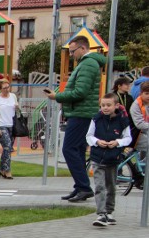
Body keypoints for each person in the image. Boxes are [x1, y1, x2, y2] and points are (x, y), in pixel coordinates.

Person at [46, 35, 106, 202]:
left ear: (82, 48)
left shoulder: (87, 64)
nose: (71, 55)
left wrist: (57, 96)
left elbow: (81, 92)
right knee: (78, 150)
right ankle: (81, 187)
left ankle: (83, 186)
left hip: (81, 113)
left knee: (69, 149)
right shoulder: (88, 64)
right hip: (82, 113)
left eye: (73, 51)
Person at [86, 93, 131, 227]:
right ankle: (101, 213)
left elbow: (128, 138)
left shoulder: (122, 121)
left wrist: (117, 142)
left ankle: (109, 211)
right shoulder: (96, 119)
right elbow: (89, 135)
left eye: (108, 105)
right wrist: (97, 141)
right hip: (97, 157)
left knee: (111, 186)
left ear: (116, 106)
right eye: (103, 105)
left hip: (113, 158)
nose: (105, 108)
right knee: (99, 186)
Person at [0, 78, 19, 179]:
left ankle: (2, 169)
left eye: (8, 87)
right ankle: (6, 170)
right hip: (2, 124)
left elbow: (17, 111)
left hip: (12, 124)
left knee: (8, 149)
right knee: (7, 146)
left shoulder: (13, 96)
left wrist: (17, 107)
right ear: (0, 89)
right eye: (4, 88)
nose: (7, 89)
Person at [130, 82, 149, 160]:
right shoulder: (136, 105)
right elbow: (139, 124)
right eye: (147, 93)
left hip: (144, 132)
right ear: (141, 93)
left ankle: (144, 168)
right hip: (135, 135)